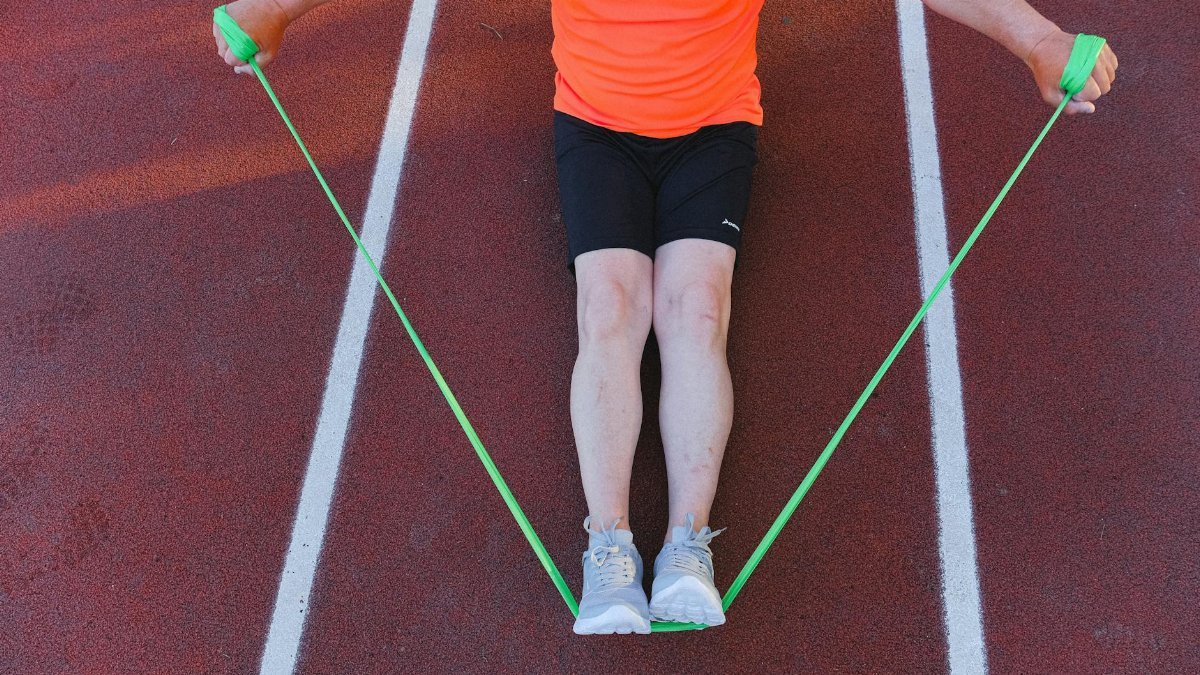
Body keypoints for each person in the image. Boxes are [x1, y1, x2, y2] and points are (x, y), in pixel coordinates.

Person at [214, 0, 1117, 635]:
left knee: (696, 309)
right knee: (609, 304)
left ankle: (687, 547)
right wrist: (272, 12)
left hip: (714, 128)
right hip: (596, 126)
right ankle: (609, 548)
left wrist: (1040, 40)